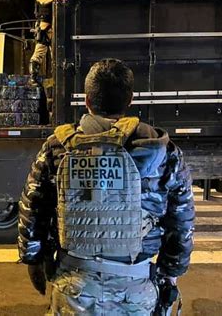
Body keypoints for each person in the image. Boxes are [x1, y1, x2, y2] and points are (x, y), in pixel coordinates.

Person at [18, 59, 195, 314]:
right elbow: (182, 221)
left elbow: (32, 210)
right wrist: (171, 272)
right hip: (136, 287)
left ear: (87, 101)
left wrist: (34, 260)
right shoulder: (163, 152)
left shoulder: (57, 148)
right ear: (130, 100)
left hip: (74, 286)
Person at [28, 0, 69, 87]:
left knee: (56, 55)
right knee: (39, 52)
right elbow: (42, 1)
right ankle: (33, 78)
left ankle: (56, 79)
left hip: (55, 28)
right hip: (45, 27)